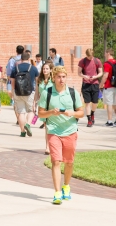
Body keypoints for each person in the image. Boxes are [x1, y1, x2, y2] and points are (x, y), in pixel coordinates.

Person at [37, 65, 84, 205]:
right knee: (56, 161)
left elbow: (81, 112)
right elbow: (40, 113)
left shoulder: (72, 92)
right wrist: (51, 112)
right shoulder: (47, 93)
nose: (61, 79)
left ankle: (66, 186)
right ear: (54, 77)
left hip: (70, 130)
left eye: (63, 77)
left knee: (69, 162)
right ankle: (57, 192)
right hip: (53, 131)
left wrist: (72, 113)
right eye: (58, 77)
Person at [10, 51, 38, 138]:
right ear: (29, 59)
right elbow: (37, 82)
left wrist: (14, 91)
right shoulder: (33, 68)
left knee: (21, 112)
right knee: (31, 110)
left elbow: (12, 82)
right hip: (30, 93)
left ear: (21, 59)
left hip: (18, 92)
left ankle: (22, 132)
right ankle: (28, 124)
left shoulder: (16, 68)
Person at [77, 48, 103, 127]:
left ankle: (92, 113)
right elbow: (79, 73)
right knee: (87, 103)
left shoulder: (97, 61)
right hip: (86, 84)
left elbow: (101, 72)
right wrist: (84, 76)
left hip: (95, 84)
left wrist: (95, 76)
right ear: (86, 55)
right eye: (88, 56)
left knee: (95, 102)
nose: (90, 58)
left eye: (91, 56)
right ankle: (89, 120)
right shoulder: (82, 61)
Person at [35, 61, 55, 154]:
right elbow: (36, 93)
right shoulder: (39, 80)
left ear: (51, 70)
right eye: (43, 69)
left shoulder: (54, 80)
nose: (45, 70)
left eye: (47, 68)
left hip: (52, 105)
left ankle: (53, 146)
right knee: (47, 127)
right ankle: (47, 147)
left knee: (52, 126)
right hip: (43, 106)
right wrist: (34, 103)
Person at [101, 50, 116, 127]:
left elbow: (105, 75)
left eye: (105, 53)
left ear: (108, 53)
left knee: (109, 104)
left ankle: (110, 121)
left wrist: (101, 84)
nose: (104, 55)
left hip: (109, 86)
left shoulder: (107, 64)